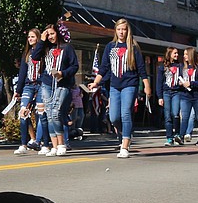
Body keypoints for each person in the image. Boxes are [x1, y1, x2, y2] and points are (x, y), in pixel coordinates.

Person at [90, 18, 151, 159]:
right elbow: (104, 67)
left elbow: (142, 69)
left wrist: (147, 86)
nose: (121, 32)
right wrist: (96, 82)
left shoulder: (133, 47)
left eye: (124, 29)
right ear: (116, 31)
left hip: (130, 84)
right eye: (119, 29)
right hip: (115, 86)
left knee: (125, 114)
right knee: (114, 117)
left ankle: (125, 145)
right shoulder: (111, 47)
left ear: (128, 30)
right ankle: (124, 133)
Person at [39, 21, 77, 156]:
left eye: (52, 33)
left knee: (56, 112)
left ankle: (61, 144)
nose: (50, 37)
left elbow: (74, 66)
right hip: (47, 83)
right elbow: (35, 57)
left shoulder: (67, 48)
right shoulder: (45, 48)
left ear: (58, 33)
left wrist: (63, 73)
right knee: (49, 114)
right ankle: (54, 146)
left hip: (62, 83)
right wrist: (41, 41)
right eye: (48, 34)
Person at [13, 28, 43, 154]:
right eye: (29, 37)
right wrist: (18, 90)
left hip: (41, 85)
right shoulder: (27, 54)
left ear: (38, 37)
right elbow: (22, 73)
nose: (30, 39)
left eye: (33, 37)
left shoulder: (44, 52)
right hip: (28, 85)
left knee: (42, 114)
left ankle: (40, 141)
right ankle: (23, 144)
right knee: (23, 112)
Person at [156, 46, 184, 146]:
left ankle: (177, 135)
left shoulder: (180, 66)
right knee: (167, 116)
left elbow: (183, 78)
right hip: (166, 92)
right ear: (169, 54)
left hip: (176, 92)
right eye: (175, 53)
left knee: (175, 114)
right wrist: (159, 97)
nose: (176, 55)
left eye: (177, 53)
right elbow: (159, 82)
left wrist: (182, 84)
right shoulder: (162, 67)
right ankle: (169, 137)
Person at [181, 47, 198, 144]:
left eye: (186, 54)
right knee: (185, 116)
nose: (184, 56)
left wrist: (191, 83)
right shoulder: (183, 68)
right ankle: (181, 136)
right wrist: (181, 83)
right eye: (184, 54)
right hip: (185, 95)